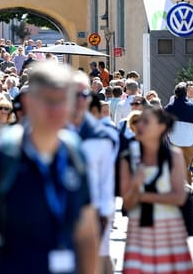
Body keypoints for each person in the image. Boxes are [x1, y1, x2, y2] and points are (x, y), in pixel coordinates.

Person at [0, 62, 99, 274]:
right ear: (29, 102)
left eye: (63, 100)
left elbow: (87, 233)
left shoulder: (75, 153)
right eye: (48, 100)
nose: (56, 109)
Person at [119, 107, 193, 274]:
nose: (140, 125)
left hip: (169, 230)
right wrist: (135, 187)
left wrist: (141, 194)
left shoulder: (173, 156)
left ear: (161, 127)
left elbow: (179, 197)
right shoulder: (128, 157)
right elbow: (128, 203)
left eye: (146, 122)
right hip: (139, 232)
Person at [71, 73, 116, 274]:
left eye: (84, 94)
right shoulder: (51, 132)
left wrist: (106, 216)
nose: (79, 100)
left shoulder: (102, 137)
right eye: (74, 94)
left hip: (94, 214)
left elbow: (107, 183)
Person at [164, 82, 193, 184]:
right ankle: (187, 189)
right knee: (186, 166)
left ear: (175, 94)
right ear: (186, 93)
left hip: (173, 141)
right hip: (189, 141)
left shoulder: (168, 107)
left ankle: (176, 188)